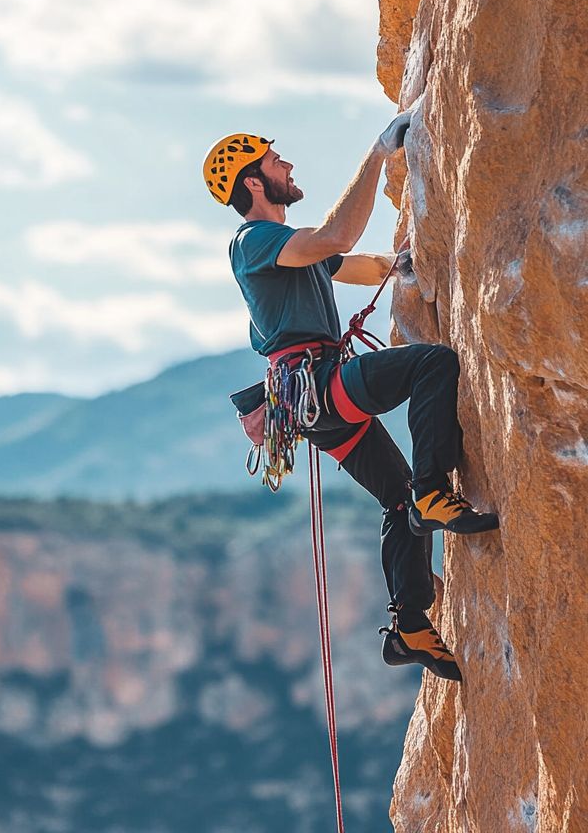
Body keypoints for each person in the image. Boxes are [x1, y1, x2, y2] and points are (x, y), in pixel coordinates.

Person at [207, 119, 499, 682]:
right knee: (431, 364)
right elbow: (336, 239)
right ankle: (435, 492)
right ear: (254, 185)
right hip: (316, 385)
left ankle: (409, 623)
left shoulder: (286, 250)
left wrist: (402, 264)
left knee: (396, 499)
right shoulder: (254, 241)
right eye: (274, 163)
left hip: (310, 399)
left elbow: (350, 265)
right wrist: (377, 154)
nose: (287, 167)